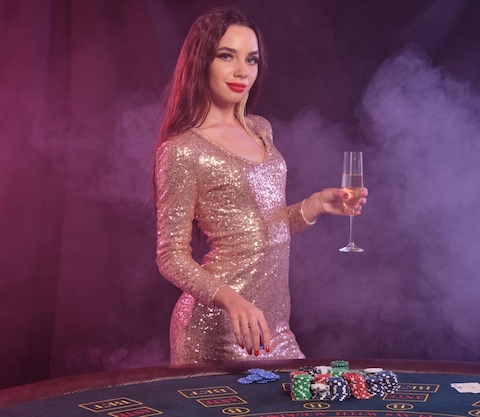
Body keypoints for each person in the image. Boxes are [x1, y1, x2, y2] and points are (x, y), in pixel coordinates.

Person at [154, 5, 367, 365]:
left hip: (275, 327)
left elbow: (260, 228)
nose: (242, 72)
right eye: (227, 56)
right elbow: (169, 256)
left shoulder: (260, 129)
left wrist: (316, 204)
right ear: (201, 61)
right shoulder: (180, 150)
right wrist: (229, 298)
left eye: (251, 60)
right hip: (219, 327)